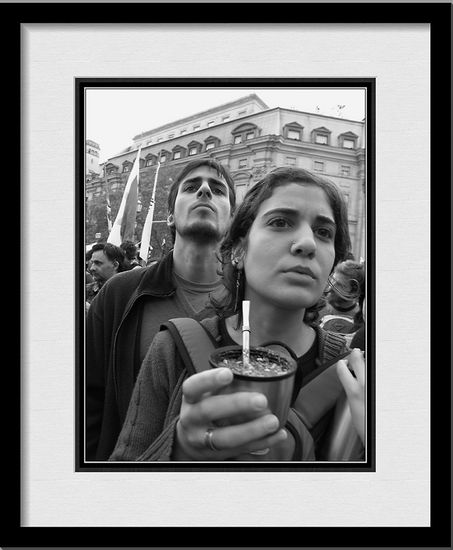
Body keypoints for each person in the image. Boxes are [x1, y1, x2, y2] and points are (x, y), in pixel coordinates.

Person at [109, 167, 365, 462]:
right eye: (280, 222)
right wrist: (177, 450)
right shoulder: (172, 347)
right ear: (239, 250)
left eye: (324, 232)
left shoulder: (356, 371)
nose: (307, 243)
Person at [85, 158, 236, 460]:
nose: (204, 190)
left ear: (232, 220)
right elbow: (87, 398)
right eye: (191, 187)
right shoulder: (120, 293)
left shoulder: (249, 304)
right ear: (169, 216)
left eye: (218, 190)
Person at [318, 259, 365, 340]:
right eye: (332, 281)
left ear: (353, 289)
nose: (330, 288)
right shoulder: (316, 311)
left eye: (338, 284)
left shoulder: (363, 319)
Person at [85, 242, 126, 307]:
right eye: (92, 263)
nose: (92, 268)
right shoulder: (85, 291)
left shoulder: (128, 293)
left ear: (115, 265)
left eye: (98, 263)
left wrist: (90, 310)